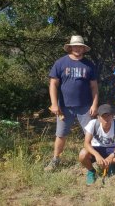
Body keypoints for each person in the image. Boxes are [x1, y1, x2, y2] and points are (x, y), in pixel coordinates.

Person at [45, 35, 98, 171]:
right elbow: (53, 85)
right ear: (70, 47)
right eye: (75, 46)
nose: (77, 48)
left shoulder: (89, 64)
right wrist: (54, 104)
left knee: (91, 134)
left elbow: (94, 87)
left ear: (83, 48)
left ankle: (93, 158)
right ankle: (56, 160)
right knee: (61, 134)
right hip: (64, 107)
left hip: (85, 107)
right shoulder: (60, 63)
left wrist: (94, 104)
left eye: (80, 46)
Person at [78, 104, 115, 185]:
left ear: (112, 116)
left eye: (108, 116)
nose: (106, 119)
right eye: (103, 116)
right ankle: (91, 171)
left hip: (112, 149)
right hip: (96, 148)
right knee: (82, 155)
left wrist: (111, 157)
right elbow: (86, 143)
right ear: (98, 117)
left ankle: (112, 164)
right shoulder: (93, 123)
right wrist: (97, 155)